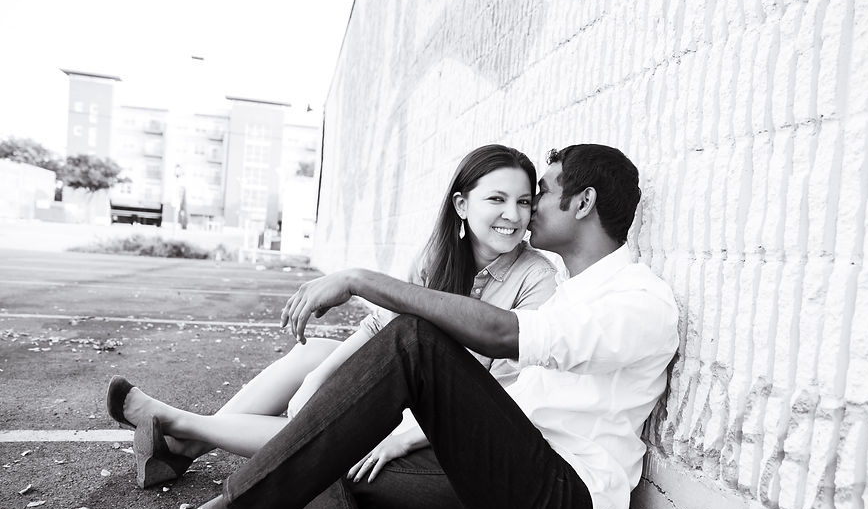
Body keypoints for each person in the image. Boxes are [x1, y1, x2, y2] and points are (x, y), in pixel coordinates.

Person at [42, 144, 680, 509]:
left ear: (585, 203)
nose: (529, 206)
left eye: (543, 192)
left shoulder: (637, 302)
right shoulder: (577, 290)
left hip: (558, 501)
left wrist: (360, 279)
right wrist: (400, 429)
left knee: (416, 339)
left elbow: (502, 336)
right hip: (503, 477)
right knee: (333, 442)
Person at [105, 144, 556, 487]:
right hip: (406, 388)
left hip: (443, 424)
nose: (512, 216)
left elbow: (508, 391)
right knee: (315, 355)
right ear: (462, 205)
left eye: (522, 202)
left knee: (328, 423)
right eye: (496, 199)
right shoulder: (438, 257)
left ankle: (179, 425)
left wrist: (402, 436)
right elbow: (379, 324)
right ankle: (185, 448)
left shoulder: (536, 276)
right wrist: (316, 380)